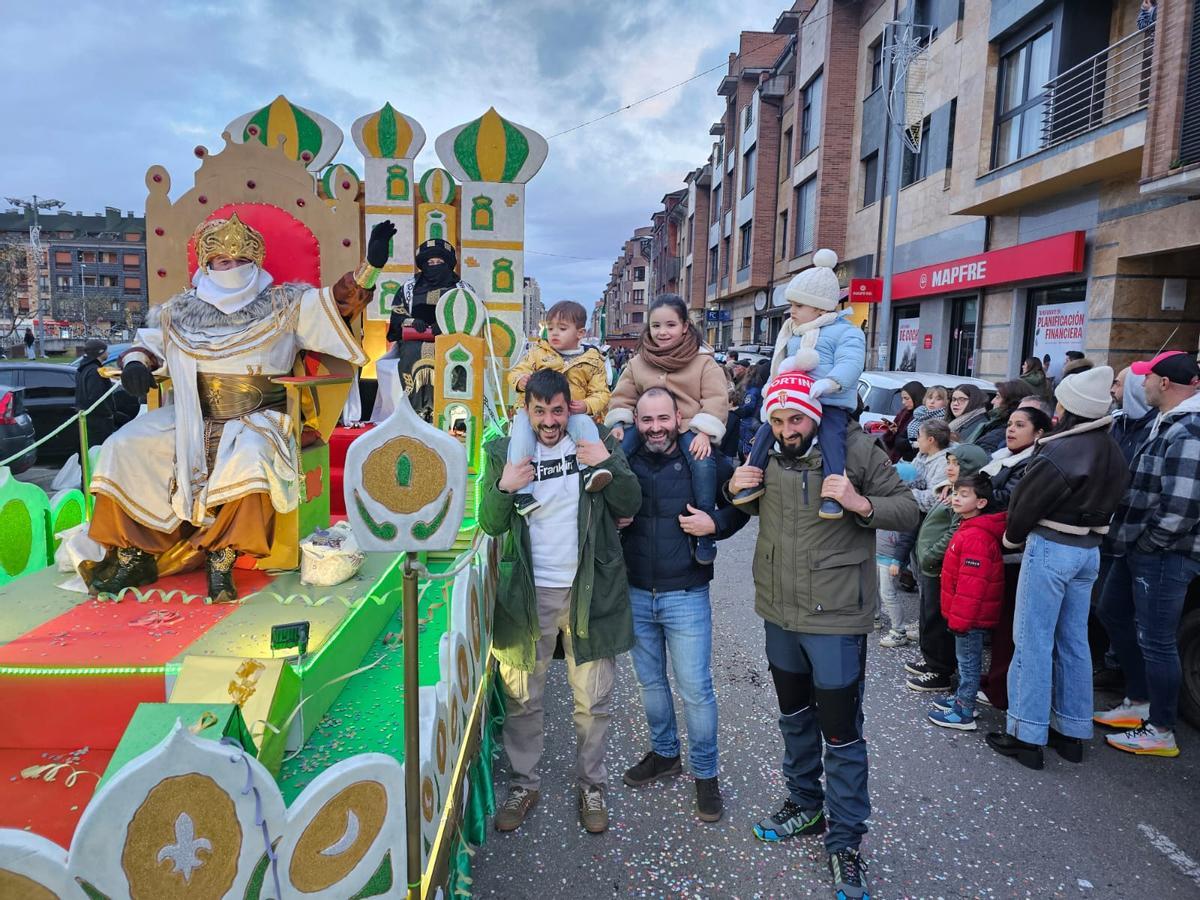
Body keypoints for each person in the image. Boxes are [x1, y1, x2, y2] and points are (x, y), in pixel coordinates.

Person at [83, 214, 381, 602]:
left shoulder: (287, 303)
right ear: (207, 266)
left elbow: (339, 304)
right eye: (223, 262)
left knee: (252, 458)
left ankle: (221, 558)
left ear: (255, 264)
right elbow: (148, 345)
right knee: (125, 445)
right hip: (192, 412)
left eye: (241, 262)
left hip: (259, 415)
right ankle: (132, 554)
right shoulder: (179, 311)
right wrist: (136, 362)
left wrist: (368, 272)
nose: (232, 269)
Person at [728, 370, 919, 900]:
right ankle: (805, 804)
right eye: (779, 419)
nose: (788, 428)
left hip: (834, 616)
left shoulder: (855, 449)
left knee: (841, 732)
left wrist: (860, 503)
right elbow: (745, 501)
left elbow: (907, 507)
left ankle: (846, 841)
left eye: (796, 418)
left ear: (814, 415)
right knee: (793, 717)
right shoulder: (765, 447)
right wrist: (733, 487)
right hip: (779, 611)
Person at [480, 368, 641, 834]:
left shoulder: (593, 445)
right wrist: (506, 485)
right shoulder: (501, 452)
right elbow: (489, 524)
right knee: (522, 696)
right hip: (527, 592)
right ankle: (523, 783)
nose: (548, 422)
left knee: (593, 699)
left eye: (556, 411)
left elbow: (631, 503)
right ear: (526, 411)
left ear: (568, 407)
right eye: (539, 411)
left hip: (589, 589)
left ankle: (592, 785)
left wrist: (604, 461)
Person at [987, 366, 1129, 770]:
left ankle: (1026, 734)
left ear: (1071, 407)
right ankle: (1072, 732)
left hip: (1052, 547)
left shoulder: (1060, 450)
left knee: (1033, 641)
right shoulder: (1111, 448)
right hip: (1089, 551)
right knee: (1074, 642)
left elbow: (1025, 505)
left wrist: (1012, 539)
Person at [618, 387, 748, 822]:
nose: (655, 428)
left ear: (679, 418)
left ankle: (706, 775)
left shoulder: (704, 457)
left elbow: (743, 504)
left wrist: (716, 522)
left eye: (662, 419)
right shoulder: (626, 460)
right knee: (650, 685)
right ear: (636, 422)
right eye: (646, 420)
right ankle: (665, 752)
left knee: (695, 690)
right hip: (636, 591)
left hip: (686, 594)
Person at [1096, 351, 1200, 758]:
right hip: (1139, 546)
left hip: (1165, 553)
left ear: (1163, 383)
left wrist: (1149, 544)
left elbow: (1183, 506)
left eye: (1147, 377)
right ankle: (1138, 701)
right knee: (1112, 611)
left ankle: (1161, 728)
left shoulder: (1189, 428)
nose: (1141, 385)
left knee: (1157, 640)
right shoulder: (1170, 421)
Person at [737, 250, 866, 519]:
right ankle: (753, 478)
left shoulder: (847, 332)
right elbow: (784, 362)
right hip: (796, 399)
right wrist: (772, 386)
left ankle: (832, 495)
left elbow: (851, 363)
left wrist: (830, 383)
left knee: (832, 439)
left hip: (829, 402)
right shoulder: (794, 333)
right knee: (764, 432)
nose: (791, 311)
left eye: (798, 305)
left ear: (820, 307)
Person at [607, 294, 728, 564]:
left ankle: (704, 530)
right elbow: (622, 395)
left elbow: (716, 399)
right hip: (646, 425)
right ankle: (610, 519)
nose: (662, 332)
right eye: (656, 326)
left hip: (689, 426)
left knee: (703, 464)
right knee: (615, 456)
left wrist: (706, 431)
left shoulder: (703, 361)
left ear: (685, 326)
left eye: (670, 325)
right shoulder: (638, 362)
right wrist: (618, 422)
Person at [505, 301, 611, 514]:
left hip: (571, 412)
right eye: (550, 328)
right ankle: (523, 491)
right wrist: (520, 381)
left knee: (585, 426)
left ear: (580, 333)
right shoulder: (538, 353)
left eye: (562, 329)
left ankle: (589, 470)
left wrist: (587, 405)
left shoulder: (593, 360)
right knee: (521, 433)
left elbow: (602, 393)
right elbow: (515, 372)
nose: (554, 334)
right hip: (536, 412)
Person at [927, 474, 1007, 731]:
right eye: (955, 493)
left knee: (969, 662)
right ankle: (963, 698)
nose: (956, 498)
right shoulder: (970, 528)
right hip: (965, 615)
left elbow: (972, 586)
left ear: (981, 502)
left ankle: (964, 710)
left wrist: (959, 620)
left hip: (969, 617)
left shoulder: (977, 536)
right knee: (966, 660)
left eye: (963, 494)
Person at [911, 443, 990, 674]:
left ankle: (939, 669)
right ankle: (930, 661)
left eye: (956, 463)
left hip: (938, 565)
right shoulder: (952, 490)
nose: (949, 468)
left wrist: (930, 555)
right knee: (927, 615)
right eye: (949, 462)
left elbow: (953, 532)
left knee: (936, 619)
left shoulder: (966, 497)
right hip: (931, 564)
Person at [965, 379, 1036, 453]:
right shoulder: (994, 424)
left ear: (1010, 402)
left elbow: (978, 456)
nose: (992, 401)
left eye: (997, 397)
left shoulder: (1001, 429)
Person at [75, 339, 117, 447]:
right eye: (106, 351)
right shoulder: (95, 371)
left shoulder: (83, 369)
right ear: (100, 352)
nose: (108, 353)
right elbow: (96, 397)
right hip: (98, 422)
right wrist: (108, 414)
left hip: (89, 420)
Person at [883, 381, 925, 463]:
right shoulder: (904, 413)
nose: (903, 402)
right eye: (902, 398)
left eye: (906, 398)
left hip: (911, 462)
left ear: (916, 397)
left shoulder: (924, 416)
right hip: (895, 459)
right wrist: (894, 431)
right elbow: (891, 442)